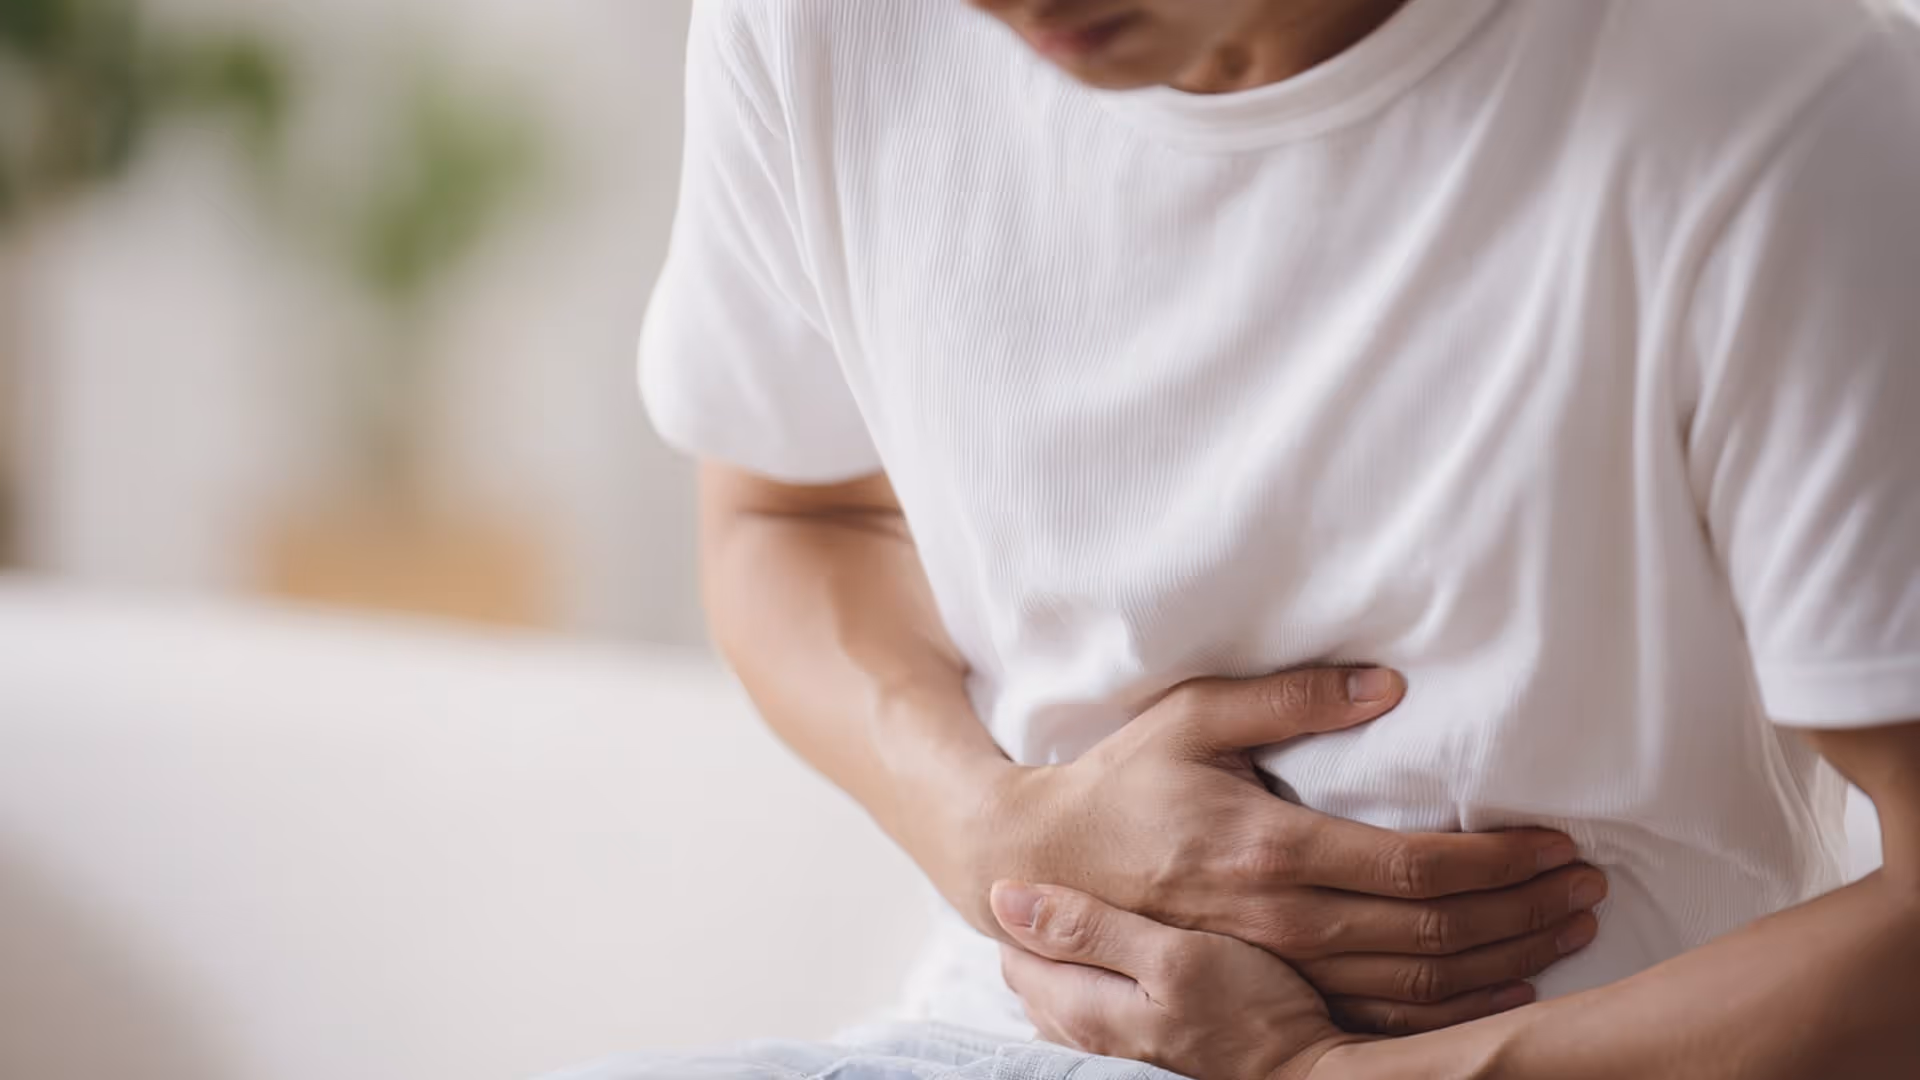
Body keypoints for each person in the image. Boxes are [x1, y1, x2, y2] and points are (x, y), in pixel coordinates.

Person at [552, 0, 1920, 1076]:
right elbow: (791, 509)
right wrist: (990, 830)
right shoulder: (824, 23)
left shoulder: (1779, 110)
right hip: (984, 1043)